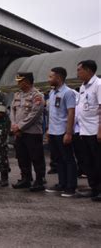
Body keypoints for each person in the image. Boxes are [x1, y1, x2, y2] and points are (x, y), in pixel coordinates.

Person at [10, 72, 46, 192]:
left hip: (32, 132)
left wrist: (19, 126)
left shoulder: (37, 95)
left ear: (26, 81)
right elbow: (12, 111)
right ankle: (26, 179)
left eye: (20, 81)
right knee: (22, 157)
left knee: (36, 157)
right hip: (19, 132)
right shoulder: (17, 95)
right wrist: (13, 125)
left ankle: (39, 180)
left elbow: (35, 114)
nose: (18, 83)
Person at [44, 67, 77, 197]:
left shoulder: (68, 92)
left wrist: (68, 133)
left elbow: (71, 113)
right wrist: (48, 129)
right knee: (58, 159)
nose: (49, 79)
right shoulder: (52, 93)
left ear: (58, 77)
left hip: (63, 131)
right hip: (53, 131)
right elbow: (52, 114)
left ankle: (71, 186)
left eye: (51, 77)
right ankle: (61, 184)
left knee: (68, 159)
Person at [75, 60, 101, 202]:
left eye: (79, 70)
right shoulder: (83, 87)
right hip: (84, 131)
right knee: (88, 162)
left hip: (95, 131)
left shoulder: (98, 85)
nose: (77, 73)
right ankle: (94, 189)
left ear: (89, 70)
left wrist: (100, 131)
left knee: (98, 162)